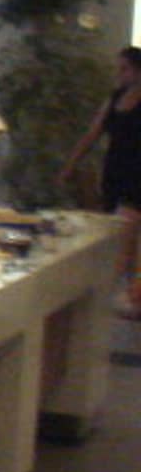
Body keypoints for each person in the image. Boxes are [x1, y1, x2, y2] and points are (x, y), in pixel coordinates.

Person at [60, 46, 141, 293]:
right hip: (115, 170)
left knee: (125, 232)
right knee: (120, 233)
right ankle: (129, 291)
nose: (119, 74)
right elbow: (92, 134)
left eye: (125, 69)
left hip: (137, 174)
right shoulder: (115, 98)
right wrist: (71, 164)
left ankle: (117, 292)